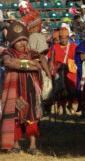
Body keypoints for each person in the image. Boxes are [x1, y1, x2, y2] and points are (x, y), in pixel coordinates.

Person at [0, 21, 51, 153]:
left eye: (24, 40)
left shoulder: (33, 52)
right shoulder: (8, 53)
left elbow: (38, 63)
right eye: (18, 41)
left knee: (32, 117)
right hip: (15, 92)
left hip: (30, 92)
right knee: (15, 117)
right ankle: (15, 145)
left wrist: (23, 63)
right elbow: (8, 62)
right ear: (12, 42)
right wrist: (29, 64)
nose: (22, 44)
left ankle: (32, 145)